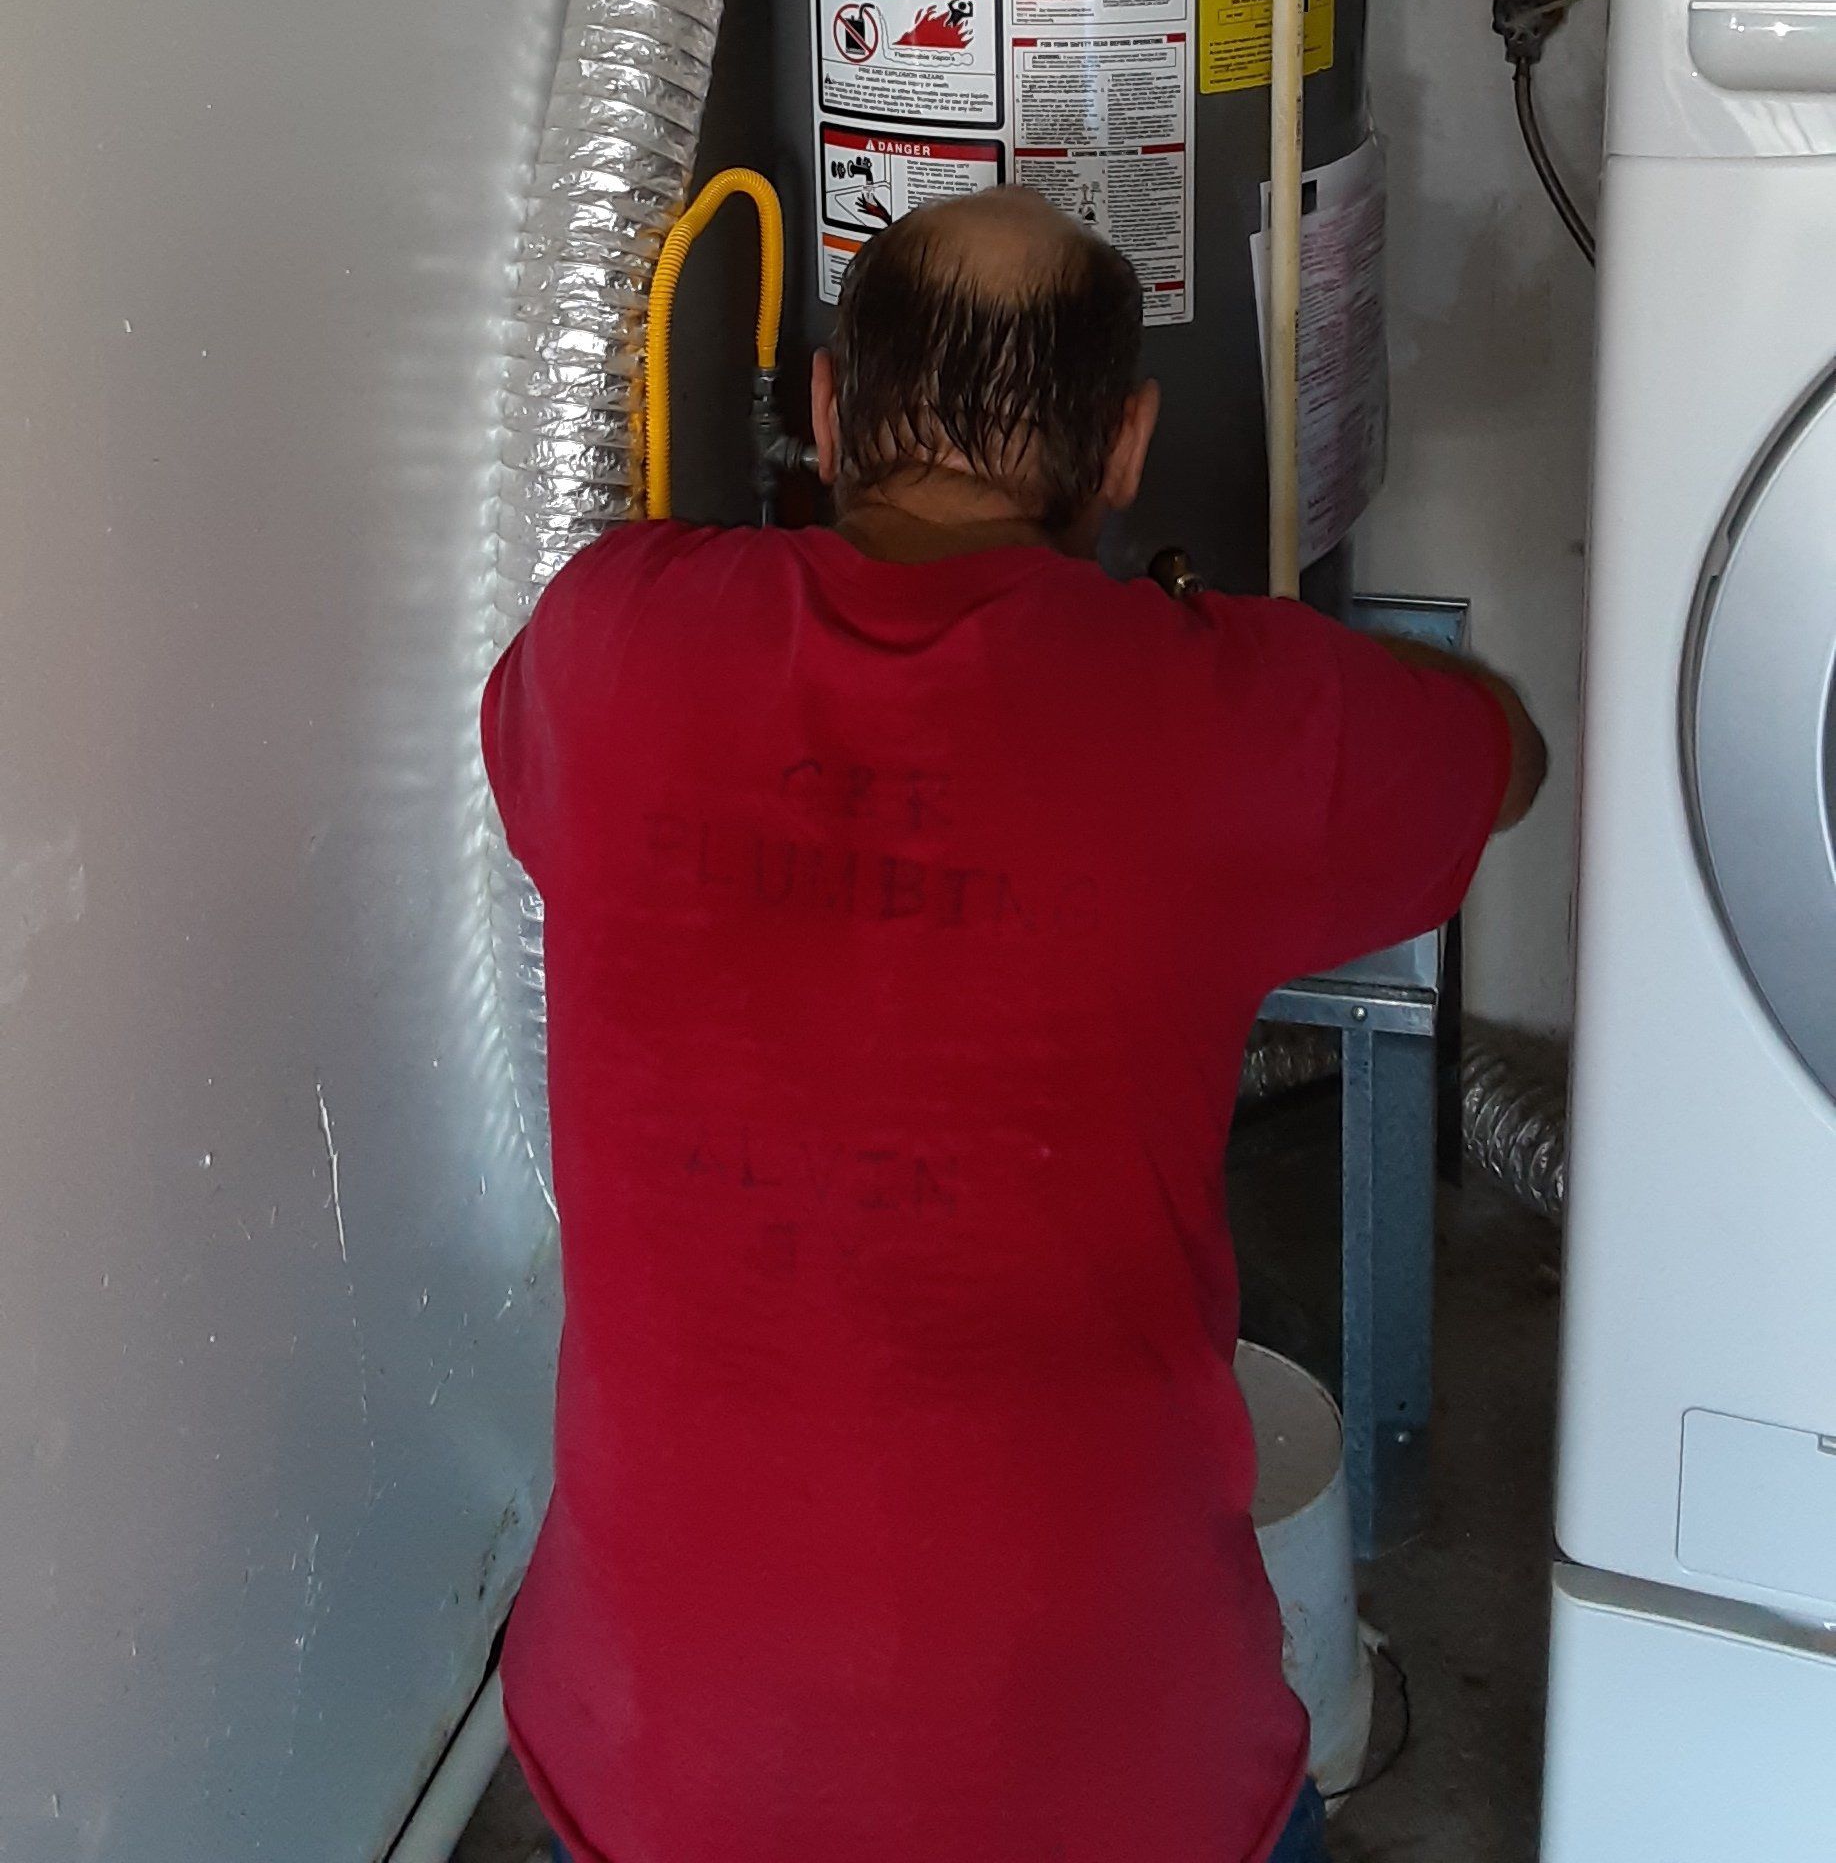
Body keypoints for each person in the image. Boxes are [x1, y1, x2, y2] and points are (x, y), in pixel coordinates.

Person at [483, 189, 1545, 1863]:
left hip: (652, 1768)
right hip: (1105, 1783)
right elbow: (1504, 760)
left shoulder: (604, 643)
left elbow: (544, 775)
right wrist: (1231, 648)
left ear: (828, 414)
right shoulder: (1228, 721)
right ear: (1124, 447)